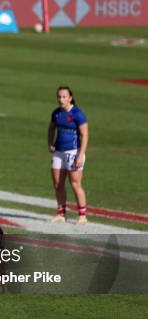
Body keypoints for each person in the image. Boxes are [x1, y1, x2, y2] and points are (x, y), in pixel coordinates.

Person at [48, 86, 89, 225]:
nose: (61, 99)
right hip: (58, 152)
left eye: (64, 96)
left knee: (75, 183)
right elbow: (51, 128)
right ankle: (61, 214)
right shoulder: (56, 113)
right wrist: (50, 143)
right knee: (58, 184)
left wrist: (80, 154)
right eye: (59, 96)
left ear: (70, 98)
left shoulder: (77, 114)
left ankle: (82, 215)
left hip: (74, 152)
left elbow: (84, 135)